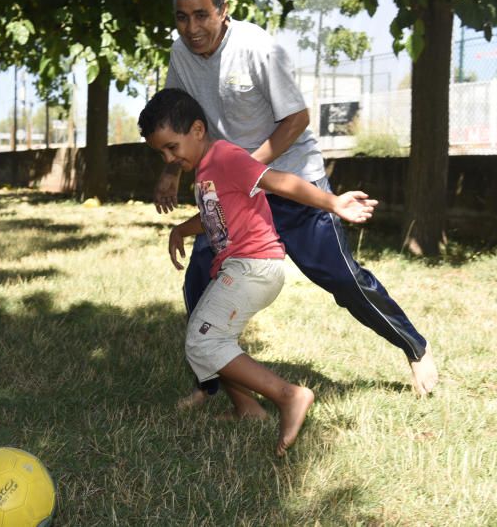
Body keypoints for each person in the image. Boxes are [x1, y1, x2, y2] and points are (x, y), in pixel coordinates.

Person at [156, 0, 438, 404]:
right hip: (235, 191)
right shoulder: (181, 54)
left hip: (290, 179)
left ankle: (414, 347)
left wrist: (246, 170)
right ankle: (214, 388)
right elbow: (174, 116)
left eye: (201, 15)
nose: (191, 28)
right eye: (181, 17)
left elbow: (297, 119)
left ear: (223, 11)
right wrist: (172, 172)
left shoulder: (259, 49)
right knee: (199, 279)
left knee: (343, 279)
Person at [138, 87, 378, 456]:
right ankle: (247, 409)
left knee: (203, 341)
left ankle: (289, 396)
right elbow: (214, 216)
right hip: (243, 268)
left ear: (198, 130)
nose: (169, 158)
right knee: (213, 335)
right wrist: (180, 229)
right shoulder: (205, 170)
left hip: (253, 267)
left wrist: (334, 202)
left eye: (172, 147)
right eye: (161, 153)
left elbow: (280, 182)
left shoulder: (225, 157)